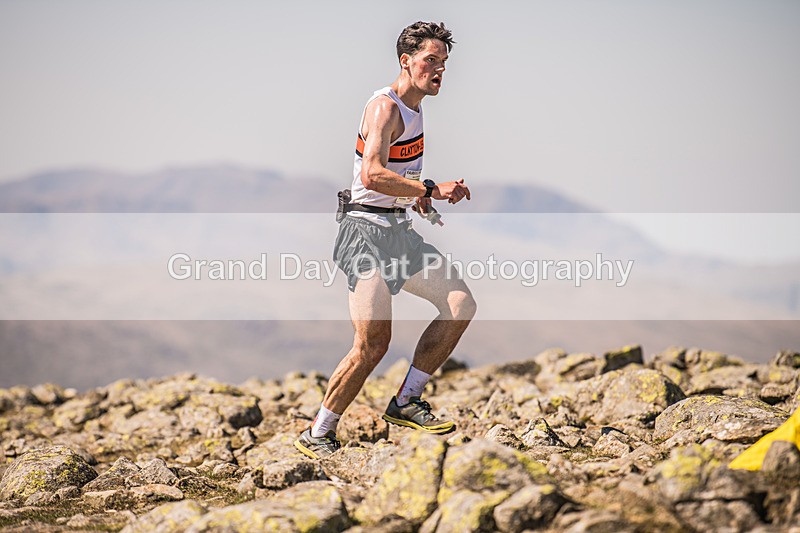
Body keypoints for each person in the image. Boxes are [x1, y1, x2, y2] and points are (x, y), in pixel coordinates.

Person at [294, 21, 476, 459]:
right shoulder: (384, 108)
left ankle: (407, 401)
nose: (439, 70)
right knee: (373, 344)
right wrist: (429, 189)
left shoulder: (415, 109)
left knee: (459, 305)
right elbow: (371, 174)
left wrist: (419, 198)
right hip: (363, 234)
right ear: (406, 61)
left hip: (397, 231)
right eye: (431, 60)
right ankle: (318, 432)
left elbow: (394, 179)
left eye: (444, 62)